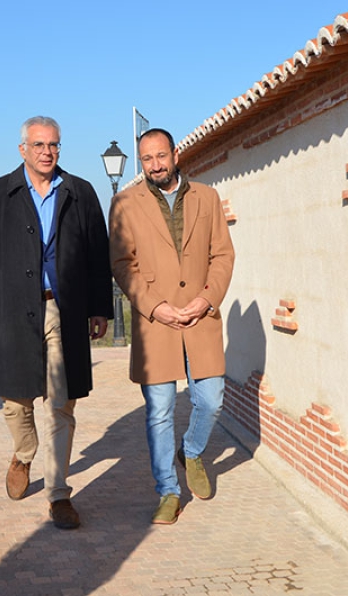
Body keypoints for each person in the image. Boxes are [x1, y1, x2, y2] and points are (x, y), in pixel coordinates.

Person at [0, 116, 113, 530]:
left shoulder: (80, 193)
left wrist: (100, 307)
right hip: (9, 311)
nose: (48, 151)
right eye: (39, 144)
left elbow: (99, 256)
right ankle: (24, 454)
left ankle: (59, 494)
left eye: (55, 145)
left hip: (64, 310)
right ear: (23, 149)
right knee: (15, 401)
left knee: (61, 403)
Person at [109, 128, 235, 525]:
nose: (155, 165)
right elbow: (121, 264)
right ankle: (167, 491)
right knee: (159, 412)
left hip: (201, 318)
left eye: (161, 156)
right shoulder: (124, 203)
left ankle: (192, 450)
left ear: (175, 154)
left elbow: (223, 255)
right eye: (147, 159)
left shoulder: (207, 197)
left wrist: (207, 298)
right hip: (156, 325)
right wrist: (153, 306)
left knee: (211, 400)